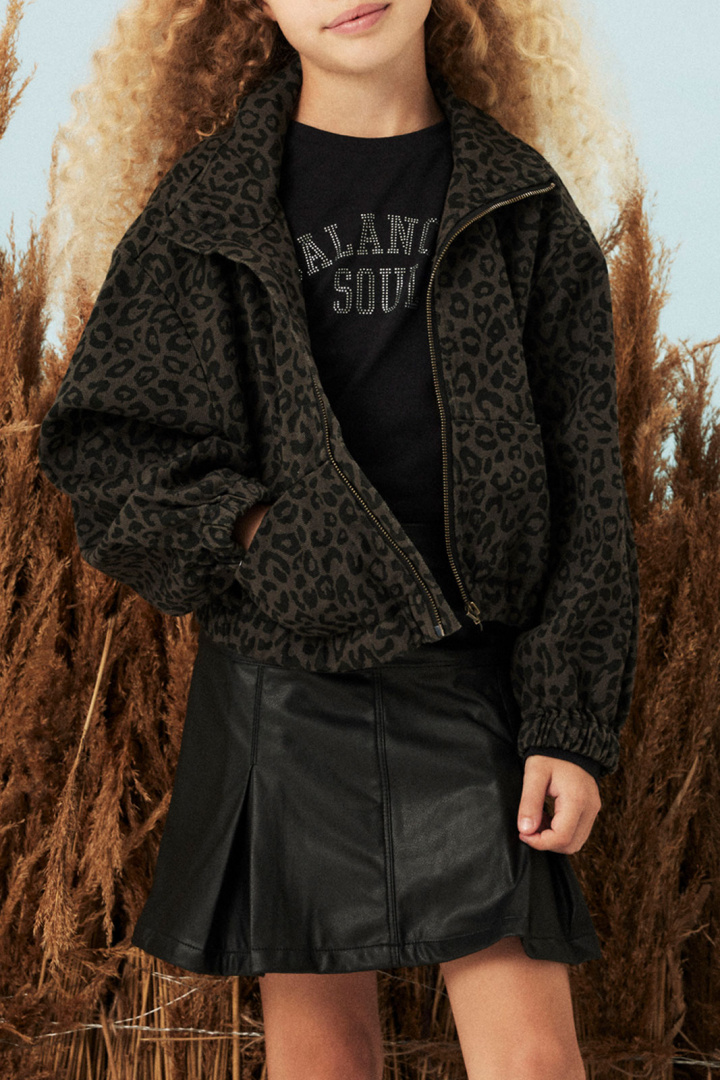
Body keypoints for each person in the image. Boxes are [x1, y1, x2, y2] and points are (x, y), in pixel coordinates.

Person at [37, 0, 640, 1077]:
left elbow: (589, 491)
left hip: (475, 681)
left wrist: (568, 724)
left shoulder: (524, 206)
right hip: (284, 682)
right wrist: (260, 530)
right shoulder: (210, 207)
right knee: (322, 1059)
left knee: (534, 1059)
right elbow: (106, 444)